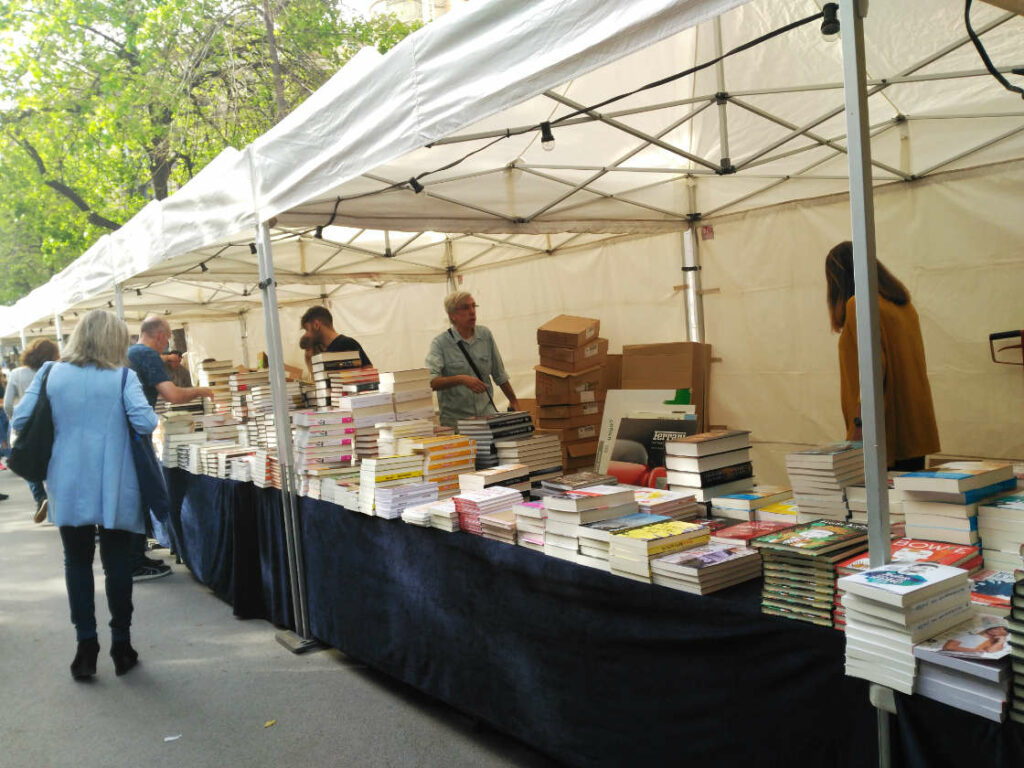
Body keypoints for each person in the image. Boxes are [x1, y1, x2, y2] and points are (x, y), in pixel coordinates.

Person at [12, 310, 158, 680]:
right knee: (118, 564)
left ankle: (85, 645)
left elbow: (19, 420)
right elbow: (145, 422)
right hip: (115, 480)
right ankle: (121, 645)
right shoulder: (123, 376)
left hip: (67, 479)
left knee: (76, 562)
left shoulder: (49, 373)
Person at [826, 241, 940, 471]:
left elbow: (873, 371)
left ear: (839, 278)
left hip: (885, 434)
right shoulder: (902, 304)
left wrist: (859, 427)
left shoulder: (859, 304)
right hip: (915, 432)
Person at [128, 316, 214, 581]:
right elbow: (173, 395)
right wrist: (202, 391)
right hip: (137, 430)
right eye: (166, 339)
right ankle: (135, 561)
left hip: (128, 429)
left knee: (136, 490)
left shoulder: (132, 351)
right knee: (144, 489)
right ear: (162, 336)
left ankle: (136, 555)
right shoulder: (149, 355)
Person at [426, 290, 519, 428]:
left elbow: (499, 374)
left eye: (473, 306)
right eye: (465, 307)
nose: (472, 311)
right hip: (457, 424)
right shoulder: (440, 344)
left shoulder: (485, 335)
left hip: (487, 417)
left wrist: (513, 400)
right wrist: (461, 379)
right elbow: (432, 382)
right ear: (453, 315)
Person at [4, 338, 60, 521]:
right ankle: (54, 499)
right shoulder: (56, 370)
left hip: (25, 425)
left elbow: (7, 403)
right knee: (52, 463)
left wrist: (14, 418)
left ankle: (40, 497)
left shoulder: (18, 373)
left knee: (25, 459)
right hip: (50, 425)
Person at [300, 306, 372, 367]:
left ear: (316, 325)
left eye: (307, 330)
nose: (306, 335)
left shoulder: (346, 344)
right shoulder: (326, 350)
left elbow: (370, 376)